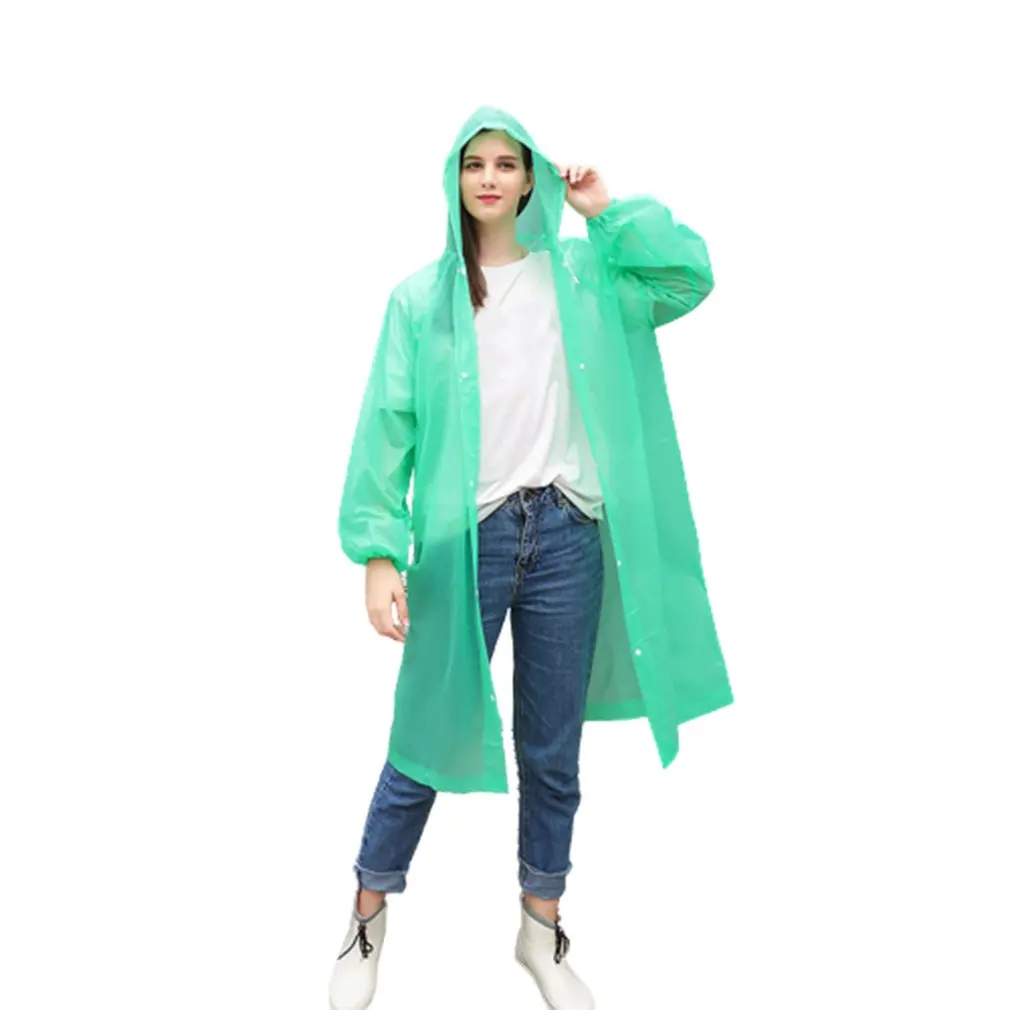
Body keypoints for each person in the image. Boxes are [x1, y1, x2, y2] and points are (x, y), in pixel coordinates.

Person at [328, 106, 732, 1010]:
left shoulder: (586, 275)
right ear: (454, 178)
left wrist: (607, 212)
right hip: (463, 542)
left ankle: (540, 926)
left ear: (529, 179)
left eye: (507, 164)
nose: (489, 178)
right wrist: (378, 554)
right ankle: (366, 913)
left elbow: (688, 277)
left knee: (553, 749)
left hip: (565, 536)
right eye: (474, 163)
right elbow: (386, 430)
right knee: (424, 738)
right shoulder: (420, 301)